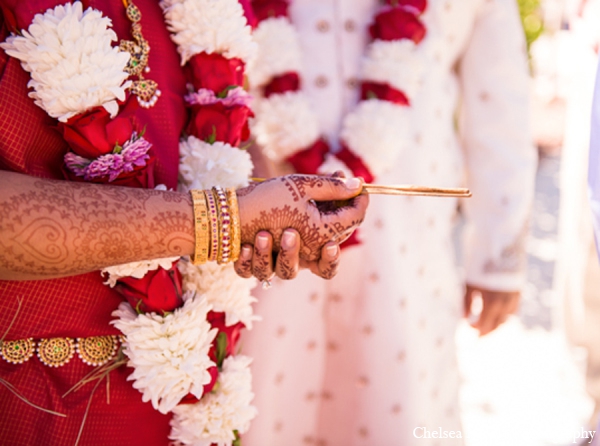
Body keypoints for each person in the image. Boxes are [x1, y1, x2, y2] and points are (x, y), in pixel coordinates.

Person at [0, 0, 368, 444]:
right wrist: (225, 220)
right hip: (34, 403)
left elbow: (226, 142)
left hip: (186, 394)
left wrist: (278, 211)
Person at [243, 0, 538, 445]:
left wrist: (500, 253)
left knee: (401, 402)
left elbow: (499, 102)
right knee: (260, 403)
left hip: (405, 250)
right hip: (262, 238)